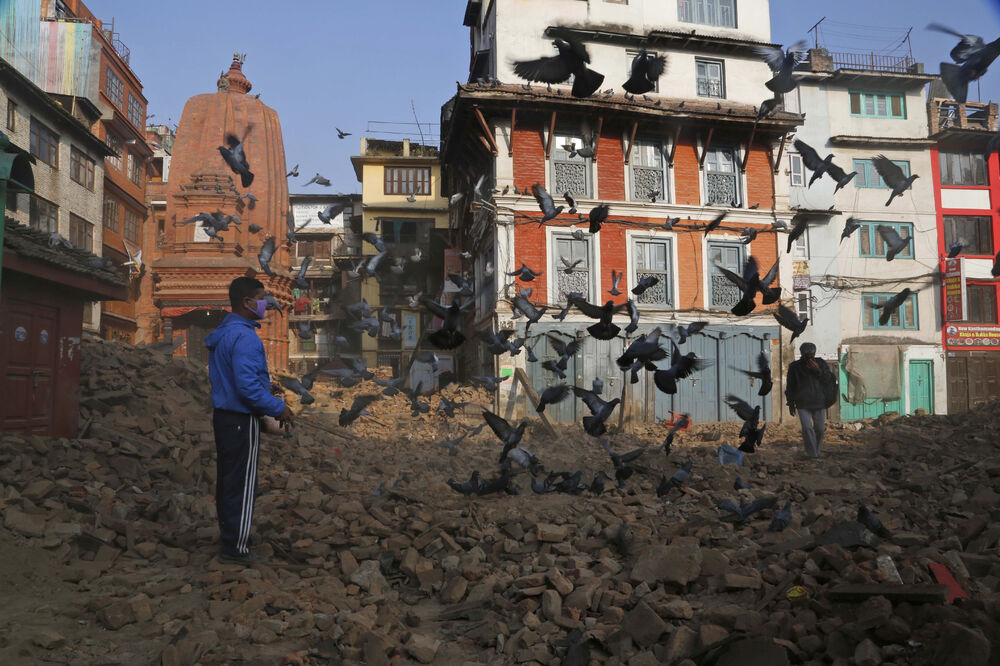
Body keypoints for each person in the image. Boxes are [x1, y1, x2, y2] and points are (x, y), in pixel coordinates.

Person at [205, 277, 294, 563]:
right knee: (242, 484)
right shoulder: (245, 337)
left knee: (229, 481)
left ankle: (232, 536)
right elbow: (247, 388)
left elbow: (238, 380)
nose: (266, 303)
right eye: (261, 297)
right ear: (246, 302)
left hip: (225, 417)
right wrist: (277, 407)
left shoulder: (226, 332)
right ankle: (238, 548)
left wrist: (266, 389)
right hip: (242, 420)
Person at [785, 342, 834, 459]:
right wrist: (790, 404)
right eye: (807, 356)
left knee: (820, 429)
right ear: (802, 355)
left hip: (819, 402)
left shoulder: (821, 363)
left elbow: (828, 380)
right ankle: (813, 455)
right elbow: (790, 387)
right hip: (802, 404)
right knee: (807, 428)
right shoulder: (794, 367)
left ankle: (816, 451)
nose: (810, 359)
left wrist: (818, 371)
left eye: (812, 356)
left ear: (815, 354)